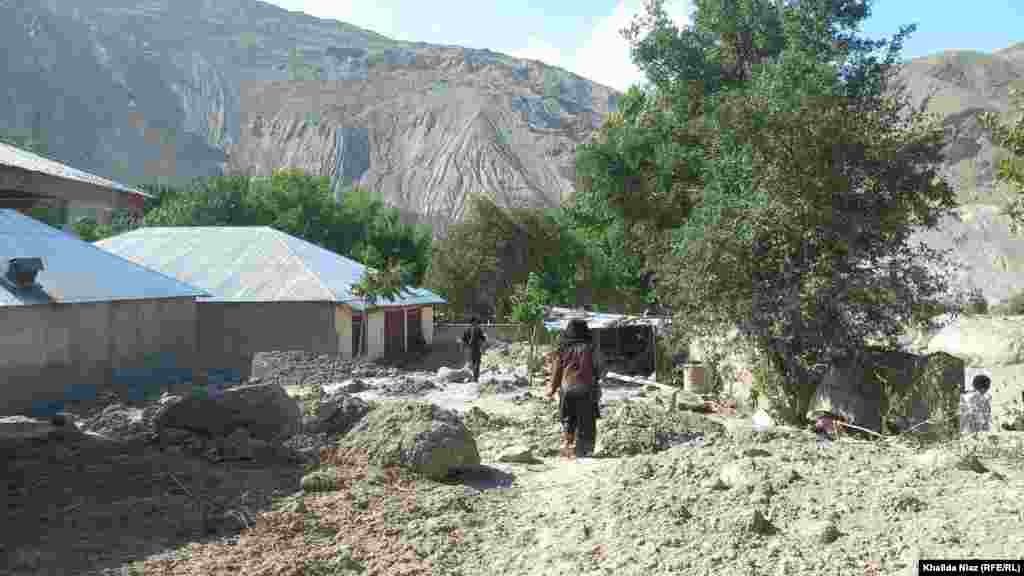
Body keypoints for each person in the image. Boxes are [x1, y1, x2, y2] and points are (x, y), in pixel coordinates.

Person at [546, 318, 603, 458]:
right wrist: (596, 378)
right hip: (586, 388)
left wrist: (552, 389)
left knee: (568, 418)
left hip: (567, 389)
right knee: (587, 419)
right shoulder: (591, 347)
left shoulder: (563, 348)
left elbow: (557, 370)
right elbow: (599, 367)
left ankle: (567, 445)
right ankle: (585, 449)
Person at [461, 317, 487, 383]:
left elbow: (463, 340)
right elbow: (483, 339)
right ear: (474, 322)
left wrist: (462, 348)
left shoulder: (466, 329)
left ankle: (474, 376)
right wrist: (483, 347)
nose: (477, 323)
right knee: (477, 363)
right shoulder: (478, 329)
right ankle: (475, 377)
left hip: (469, 349)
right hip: (477, 348)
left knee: (472, 362)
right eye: (476, 322)